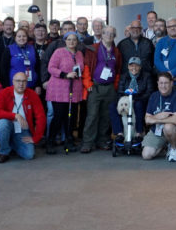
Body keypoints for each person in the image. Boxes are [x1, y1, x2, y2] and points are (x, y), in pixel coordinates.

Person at [81, 25, 122, 153]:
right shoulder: (94, 49)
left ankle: (102, 141)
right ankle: (87, 142)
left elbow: (118, 71)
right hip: (95, 87)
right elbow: (86, 67)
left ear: (114, 36)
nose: (109, 36)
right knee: (92, 115)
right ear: (102, 34)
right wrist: (88, 85)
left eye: (112, 34)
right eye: (106, 33)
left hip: (109, 88)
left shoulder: (116, 52)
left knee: (106, 116)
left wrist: (114, 87)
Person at [0, 72, 46, 163]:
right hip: (8, 125)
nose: (21, 84)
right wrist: (15, 115)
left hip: (23, 129)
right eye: (18, 81)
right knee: (2, 124)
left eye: (24, 81)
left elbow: (41, 117)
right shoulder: (4, 92)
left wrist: (36, 138)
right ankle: (4, 152)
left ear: (27, 83)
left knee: (29, 155)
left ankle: (12, 143)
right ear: (13, 82)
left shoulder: (32, 94)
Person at [46, 32, 85, 154]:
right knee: (58, 116)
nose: (72, 42)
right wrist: (65, 74)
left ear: (77, 41)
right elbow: (51, 68)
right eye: (69, 39)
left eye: (74, 40)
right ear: (65, 41)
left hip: (75, 88)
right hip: (59, 88)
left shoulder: (79, 54)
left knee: (72, 117)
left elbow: (81, 68)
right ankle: (50, 141)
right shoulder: (59, 52)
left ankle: (69, 140)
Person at [142, 72, 176, 161]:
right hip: (157, 130)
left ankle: (174, 149)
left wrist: (155, 119)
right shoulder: (154, 96)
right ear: (157, 84)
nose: (163, 86)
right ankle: (165, 145)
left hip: (175, 128)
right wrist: (159, 116)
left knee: (168, 127)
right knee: (146, 155)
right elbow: (147, 120)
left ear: (171, 83)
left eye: (166, 83)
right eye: (161, 83)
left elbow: (175, 120)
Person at [110, 57, 154, 145]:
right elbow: (120, 92)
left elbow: (149, 92)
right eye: (131, 65)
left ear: (140, 67)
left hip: (140, 100)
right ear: (128, 67)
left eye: (136, 66)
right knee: (112, 106)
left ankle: (139, 133)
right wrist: (126, 100)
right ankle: (119, 133)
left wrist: (134, 99)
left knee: (138, 105)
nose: (134, 68)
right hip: (126, 100)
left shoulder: (146, 76)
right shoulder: (124, 76)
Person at [155, 18, 176, 98]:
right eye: (169, 26)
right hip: (164, 83)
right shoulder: (161, 42)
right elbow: (157, 60)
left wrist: (173, 73)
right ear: (166, 28)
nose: (172, 28)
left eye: (175, 25)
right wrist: (167, 75)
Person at [0, 28, 40, 94]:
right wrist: (6, 86)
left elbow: (38, 68)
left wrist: (38, 85)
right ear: (15, 37)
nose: (22, 38)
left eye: (24, 36)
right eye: (19, 36)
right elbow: (3, 69)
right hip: (14, 85)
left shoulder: (32, 48)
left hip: (31, 84)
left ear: (27, 37)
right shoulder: (9, 49)